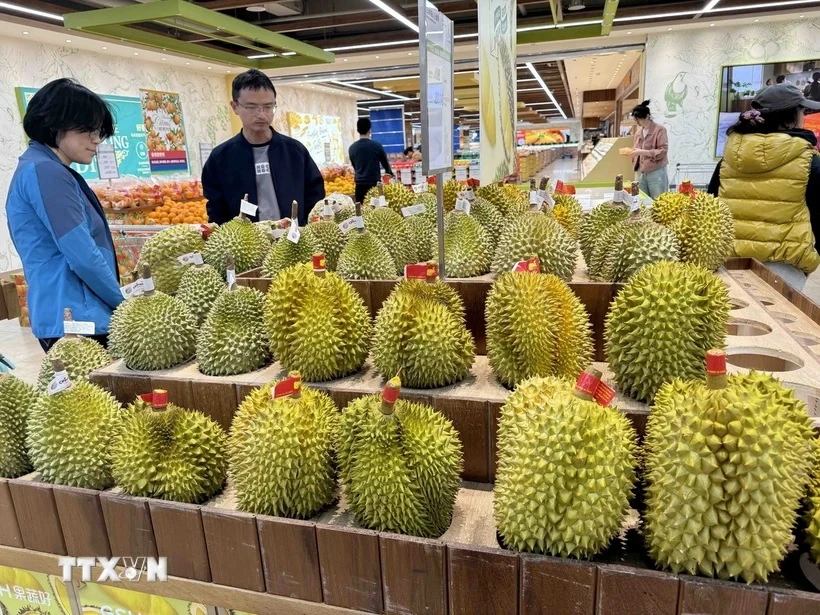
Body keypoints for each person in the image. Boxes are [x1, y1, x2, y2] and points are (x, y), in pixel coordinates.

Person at [5, 78, 122, 352]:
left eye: (99, 132)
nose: (96, 140)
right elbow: (82, 254)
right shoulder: (48, 173)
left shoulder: (39, 168)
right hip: (76, 318)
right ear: (56, 124)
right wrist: (123, 304)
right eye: (89, 130)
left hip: (69, 314)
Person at [707, 83, 820, 290]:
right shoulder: (810, 162)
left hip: (729, 264)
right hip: (785, 269)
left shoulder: (728, 160)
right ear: (789, 119)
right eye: (803, 111)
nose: (805, 116)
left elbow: (710, 209)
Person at [203, 69, 324, 226]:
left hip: (294, 243)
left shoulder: (295, 151)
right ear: (235, 107)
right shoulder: (220, 158)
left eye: (268, 106)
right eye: (251, 107)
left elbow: (315, 198)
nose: (261, 114)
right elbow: (216, 211)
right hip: (243, 246)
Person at [627, 100, 669, 199]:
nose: (638, 122)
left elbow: (662, 151)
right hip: (641, 172)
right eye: (636, 120)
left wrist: (641, 151)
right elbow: (637, 149)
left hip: (656, 171)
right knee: (641, 200)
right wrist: (633, 153)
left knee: (658, 200)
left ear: (647, 116)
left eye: (639, 119)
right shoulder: (638, 133)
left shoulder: (659, 130)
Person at [349, 118, 393, 203]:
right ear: (370, 130)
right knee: (376, 210)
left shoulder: (352, 148)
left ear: (358, 130)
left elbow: (354, 165)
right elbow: (385, 163)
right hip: (374, 184)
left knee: (361, 210)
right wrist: (390, 173)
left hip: (359, 185)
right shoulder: (377, 146)